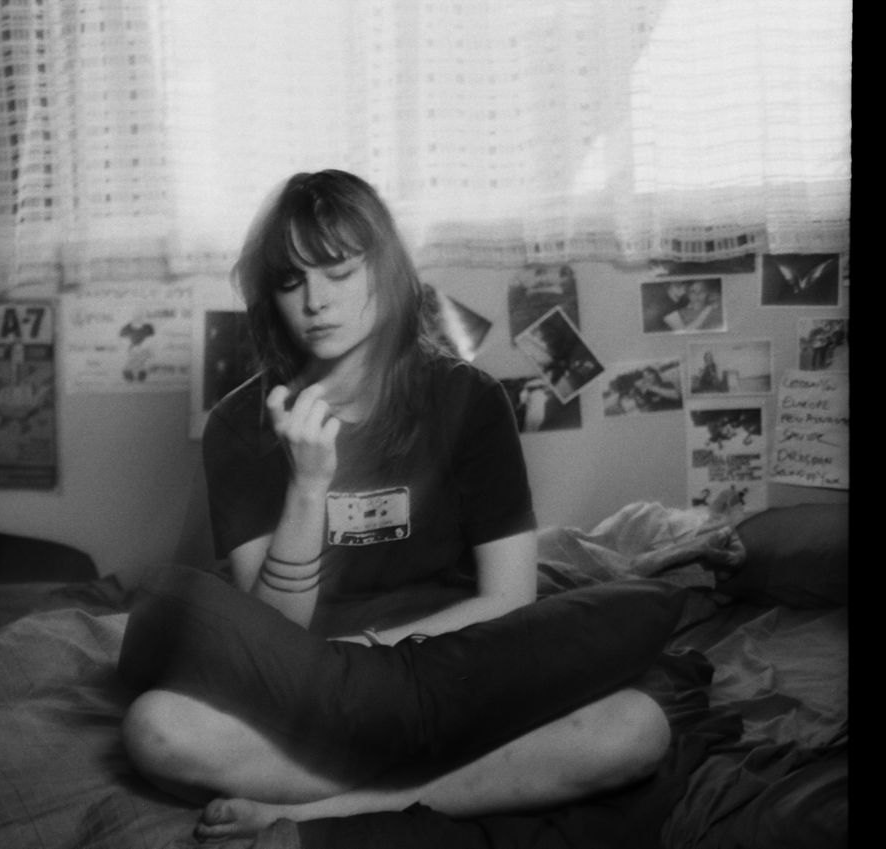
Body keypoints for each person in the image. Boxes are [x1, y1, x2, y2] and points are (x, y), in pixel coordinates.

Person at [117, 170, 680, 839]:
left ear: (384, 272)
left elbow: (508, 597)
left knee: (636, 728)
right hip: (312, 686)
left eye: (339, 272)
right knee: (157, 729)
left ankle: (323, 808)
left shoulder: (470, 399)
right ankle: (450, 781)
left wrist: (377, 660)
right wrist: (307, 486)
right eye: (292, 282)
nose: (316, 301)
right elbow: (272, 632)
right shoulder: (240, 425)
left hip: (457, 662)